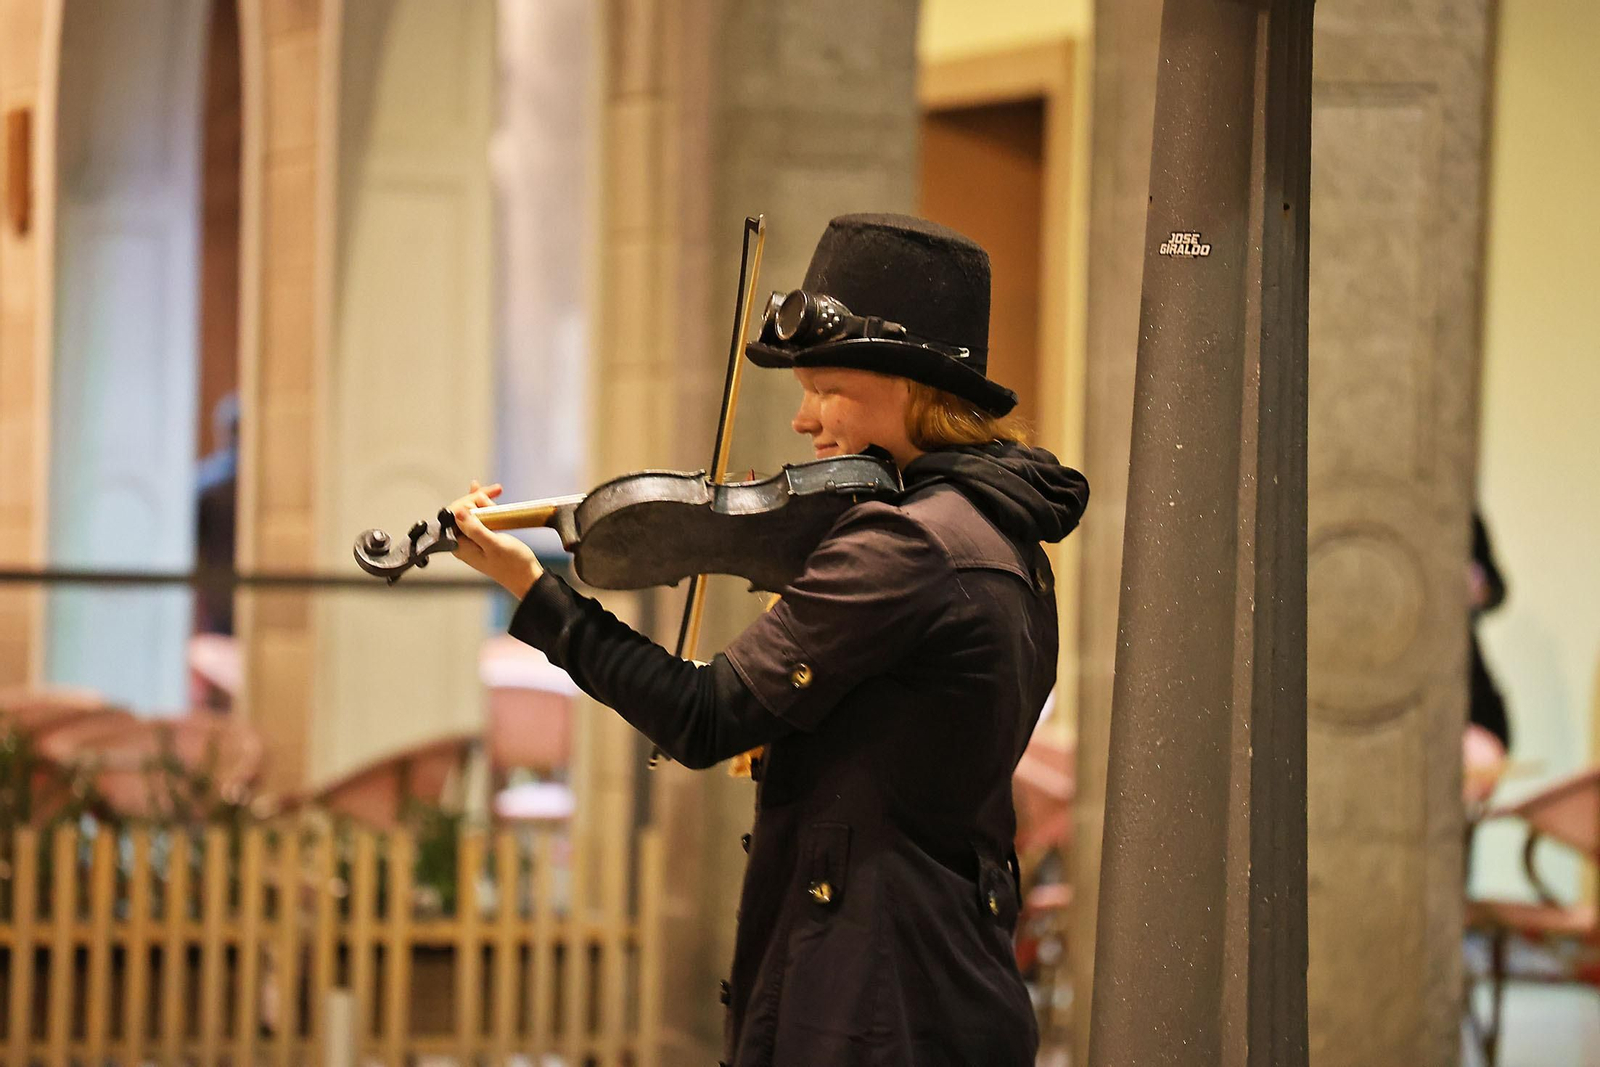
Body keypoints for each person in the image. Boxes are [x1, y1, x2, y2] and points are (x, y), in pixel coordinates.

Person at [449, 214, 1090, 1065]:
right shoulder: (1007, 534)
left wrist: (532, 591)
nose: (803, 418)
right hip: (951, 983)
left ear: (908, 385)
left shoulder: (903, 544)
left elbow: (701, 715)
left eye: (826, 385)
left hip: (868, 1005)